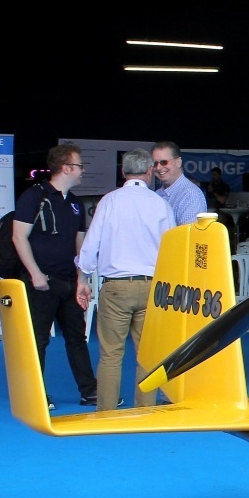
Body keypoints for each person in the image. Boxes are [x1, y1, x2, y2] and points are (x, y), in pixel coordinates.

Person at [77, 150, 173, 413]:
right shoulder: (160, 204)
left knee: (110, 355)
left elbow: (91, 244)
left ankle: (107, 413)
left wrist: (83, 277)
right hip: (153, 286)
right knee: (148, 354)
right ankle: (145, 411)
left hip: (116, 286)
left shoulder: (109, 201)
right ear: (150, 171)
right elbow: (172, 249)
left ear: (123, 172)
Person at [13, 144, 97, 409]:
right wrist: (35, 274)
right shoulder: (34, 197)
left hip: (69, 283)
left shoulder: (75, 203)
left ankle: (90, 391)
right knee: (38, 340)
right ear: (66, 168)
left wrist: (82, 280)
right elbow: (19, 237)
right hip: (42, 282)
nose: (82, 171)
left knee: (77, 337)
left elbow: (80, 246)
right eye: (80, 165)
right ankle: (35, 394)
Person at [151, 141, 207, 227]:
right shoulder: (157, 194)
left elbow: (187, 237)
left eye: (164, 162)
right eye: (155, 163)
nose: (158, 167)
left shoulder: (190, 195)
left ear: (178, 162)